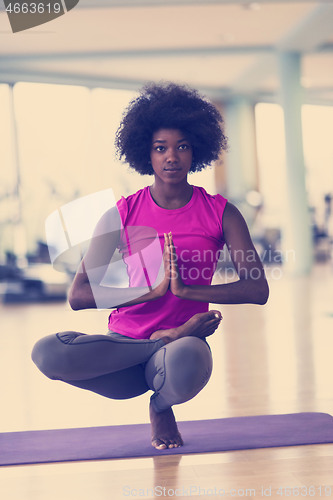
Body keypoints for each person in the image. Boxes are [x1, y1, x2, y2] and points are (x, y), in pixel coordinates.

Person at [32, 82, 269, 450]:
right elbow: (78, 295)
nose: (171, 157)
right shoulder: (123, 212)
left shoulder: (221, 212)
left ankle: (161, 404)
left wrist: (189, 293)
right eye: (161, 148)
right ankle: (160, 349)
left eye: (181, 147)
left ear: (196, 153)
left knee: (188, 354)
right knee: (47, 353)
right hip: (124, 352)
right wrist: (153, 291)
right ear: (147, 153)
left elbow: (257, 288)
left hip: (178, 356)